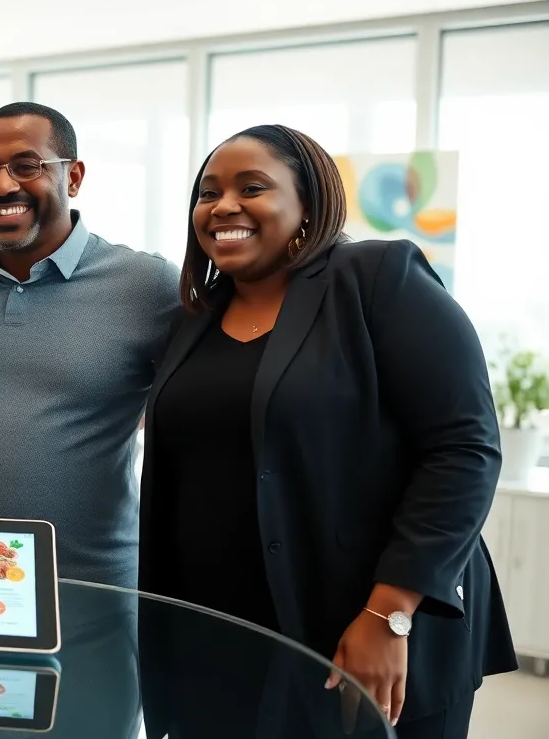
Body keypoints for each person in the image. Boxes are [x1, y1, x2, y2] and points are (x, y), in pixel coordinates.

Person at [137, 124, 517, 738]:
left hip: (361, 629)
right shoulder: (194, 318)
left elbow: (463, 449)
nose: (224, 206)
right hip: (219, 639)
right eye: (208, 193)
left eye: (251, 187)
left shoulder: (376, 278)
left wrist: (387, 614)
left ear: (308, 203)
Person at [0, 101, 181, 588]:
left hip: (91, 585)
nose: (3, 186)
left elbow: (193, 406)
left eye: (26, 165)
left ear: (72, 177)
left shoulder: (149, 285)